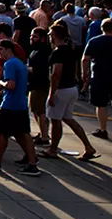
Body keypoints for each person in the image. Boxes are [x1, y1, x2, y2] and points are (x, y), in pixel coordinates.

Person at [0, 39, 40, 176]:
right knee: (22, 134)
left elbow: (11, 85)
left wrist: (0, 82)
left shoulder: (10, 64)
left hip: (10, 105)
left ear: (8, 49)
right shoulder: (20, 64)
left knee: (2, 133)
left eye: (0, 49)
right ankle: (32, 161)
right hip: (21, 104)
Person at [42, 24, 98, 161]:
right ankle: (88, 146)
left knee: (55, 120)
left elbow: (56, 74)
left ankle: (53, 149)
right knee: (68, 118)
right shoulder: (70, 50)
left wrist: (51, 93)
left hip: (61, 89)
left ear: (54, 36)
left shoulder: (57, 52)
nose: (49, 37)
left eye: (50, 35)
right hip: (71, 88)